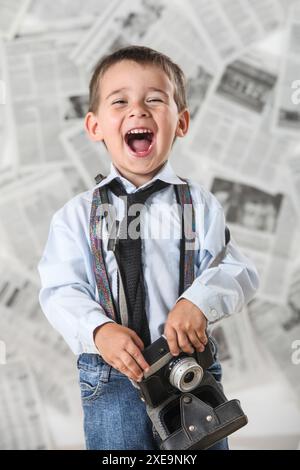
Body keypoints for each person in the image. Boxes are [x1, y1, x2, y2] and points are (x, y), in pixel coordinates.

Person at [38, 45, 259, 450]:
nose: (138, 110)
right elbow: (59, 289)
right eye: (120, 101)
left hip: (188, 373)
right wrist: (98, 329)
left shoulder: (201, 205)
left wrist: (199, 302)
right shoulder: (74, 216)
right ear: (95, 126)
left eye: (155, 100)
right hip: (112, 376)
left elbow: (237, 270)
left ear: (181, 122)